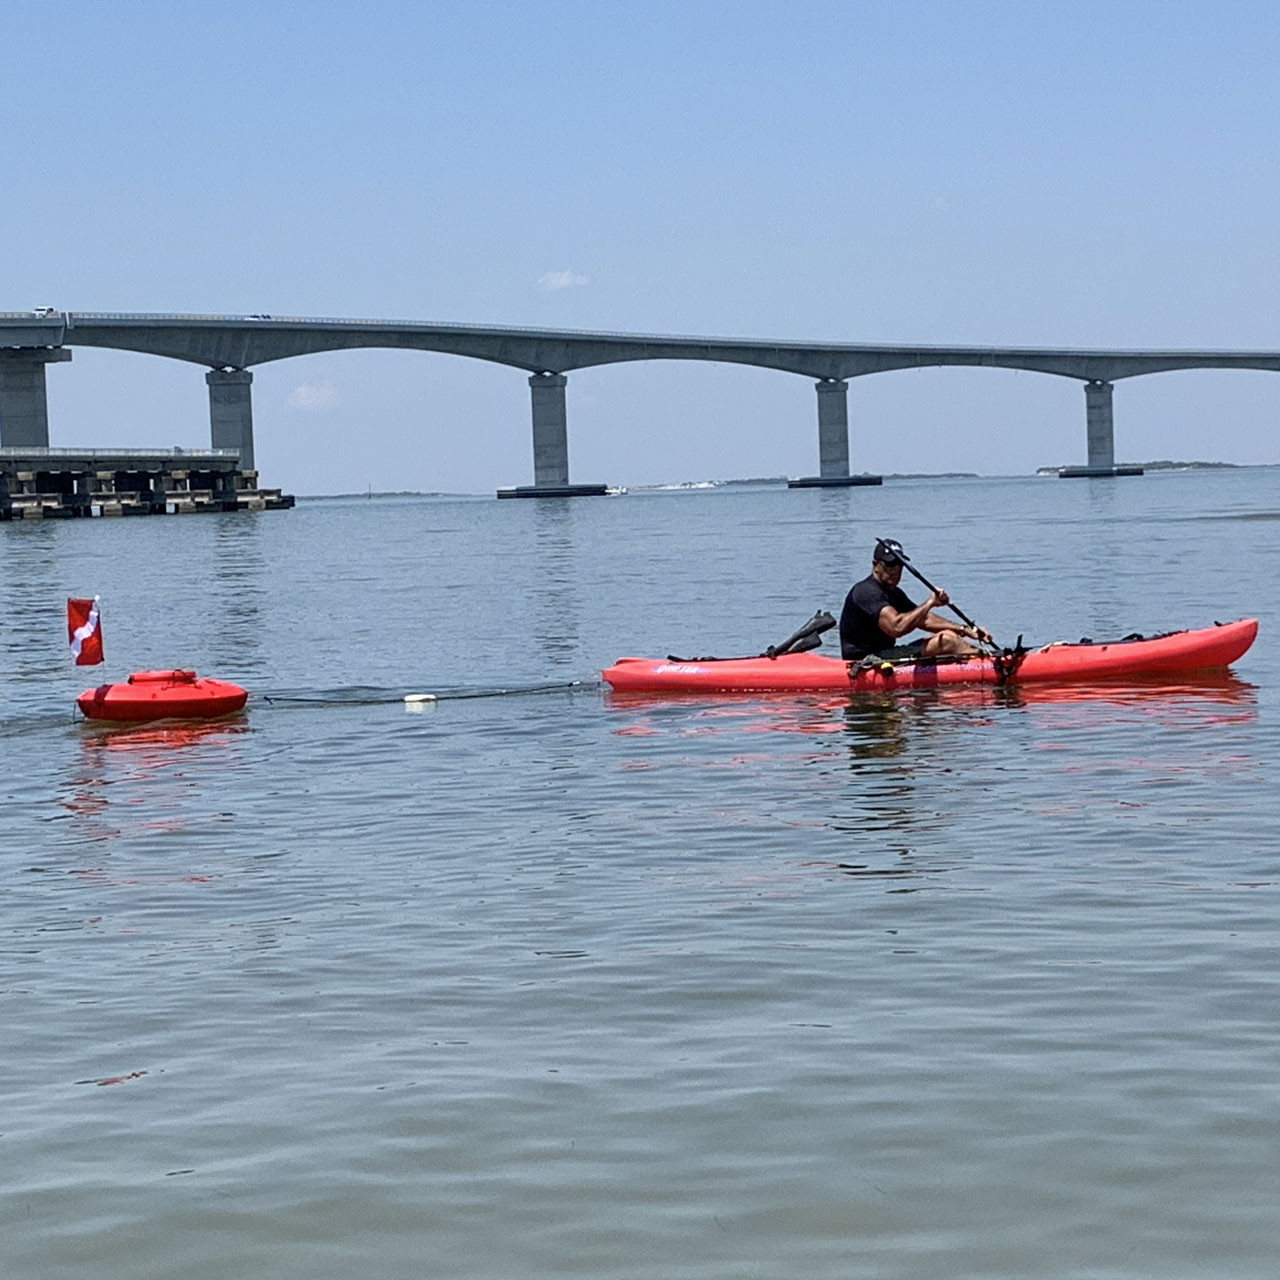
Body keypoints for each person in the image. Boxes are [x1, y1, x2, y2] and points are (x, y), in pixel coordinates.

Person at [839, 539, 993, 661]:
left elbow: (923, 619)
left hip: (887, 654)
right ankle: (991, 660)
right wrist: (930, 603)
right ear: (875, 566)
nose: (895, 570)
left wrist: (966, 630)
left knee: (951, 635)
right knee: (947, 641)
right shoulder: (866, 591)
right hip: (866, 660)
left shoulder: (895, 593)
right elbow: (896, 627)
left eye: (900, 565)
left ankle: (983, 657)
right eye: (890, 564)